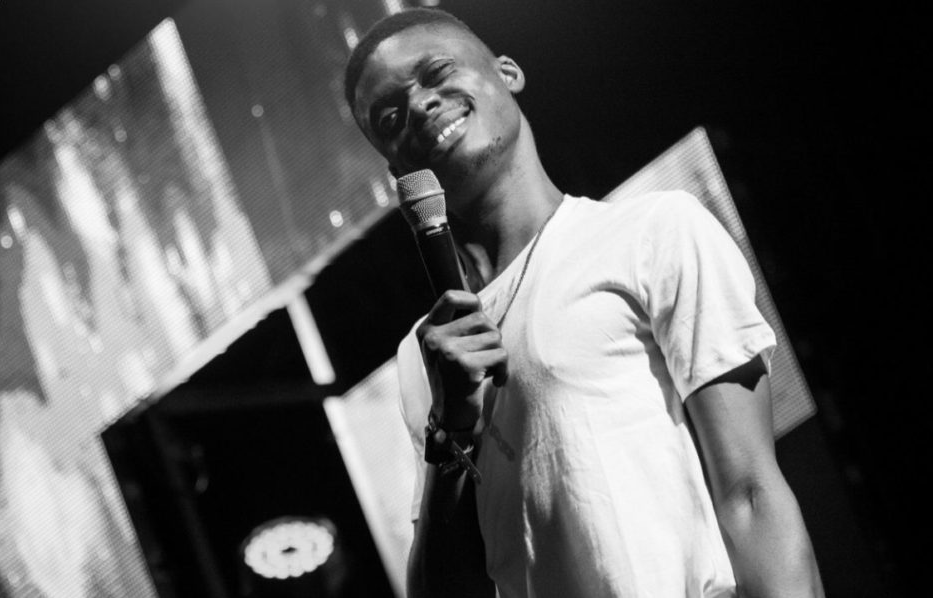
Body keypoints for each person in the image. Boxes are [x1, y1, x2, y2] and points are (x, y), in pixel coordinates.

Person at [344, 8, 824, 598]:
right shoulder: (422, 356)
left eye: (437, 73)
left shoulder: (652, 231)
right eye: (391, 116)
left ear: (507, 73)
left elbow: (751, 494)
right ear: (397, 170)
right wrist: (451, 429)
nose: (420, 105)